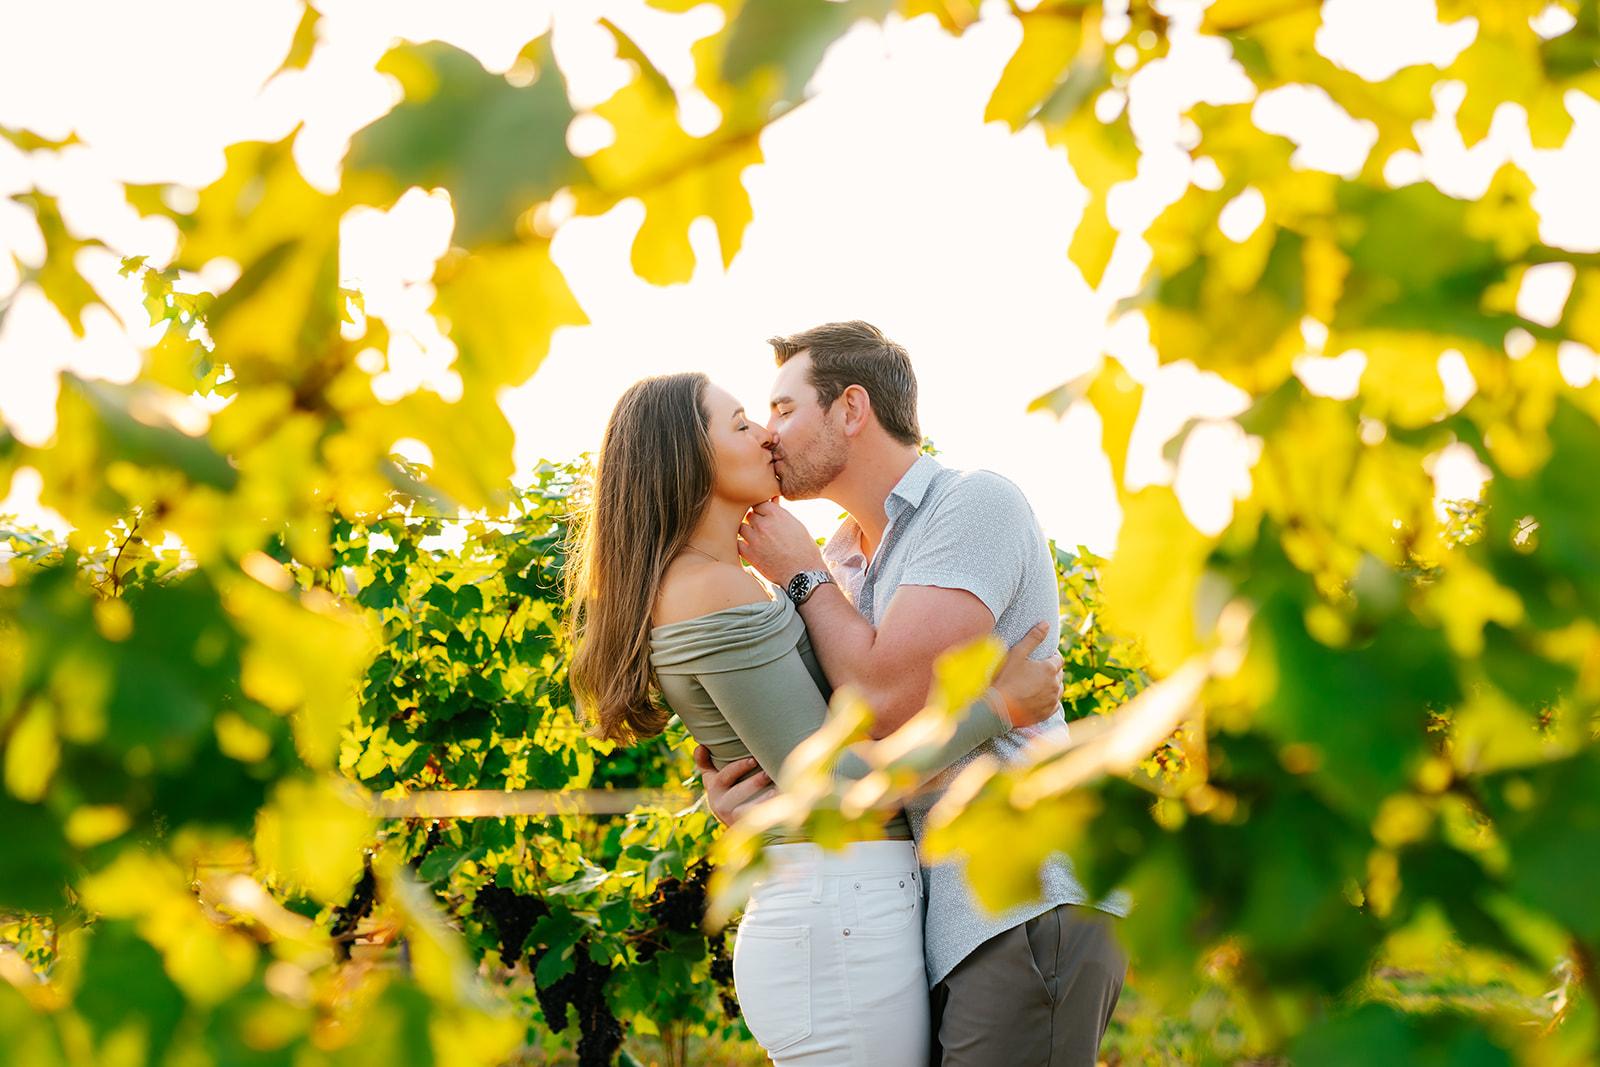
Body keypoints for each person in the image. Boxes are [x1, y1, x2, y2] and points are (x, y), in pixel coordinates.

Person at [563, 371, 1068, 1066]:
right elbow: (838, 787)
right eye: (741, 422)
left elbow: (788, 756)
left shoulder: (715, 583)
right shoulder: (711, 588)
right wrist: (995, 710)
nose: (765, 433)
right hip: (839, 915)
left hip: (841, 910)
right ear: (687, 457)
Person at [701, 320, 1130, 1066]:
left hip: (1023, 906)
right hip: (938, 921)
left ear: (852, 409)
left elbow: (885, 711)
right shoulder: (841, 560)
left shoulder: (971, 506)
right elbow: (828, 748)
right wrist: (752, 797)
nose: (768, 434)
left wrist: (801, 578)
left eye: (784, 408)